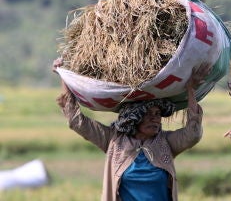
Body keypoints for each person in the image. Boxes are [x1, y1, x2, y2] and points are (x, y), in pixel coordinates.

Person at [53, 58, 211, 201]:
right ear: (134, 118)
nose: (155, 118)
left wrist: (191, 90)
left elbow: (193, 133)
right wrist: (64, 76)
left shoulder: (165, 143)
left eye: (157, 114)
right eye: (148, 114)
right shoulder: (113, 140)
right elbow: (77, 121)